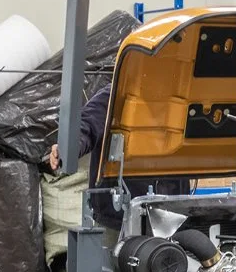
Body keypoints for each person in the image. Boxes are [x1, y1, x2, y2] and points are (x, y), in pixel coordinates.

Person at [47, 83, 187, 227]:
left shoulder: (182, 96)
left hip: (172, 215)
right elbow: (87, 125)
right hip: (119, 218)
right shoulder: (114, 95)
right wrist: (68, 148)